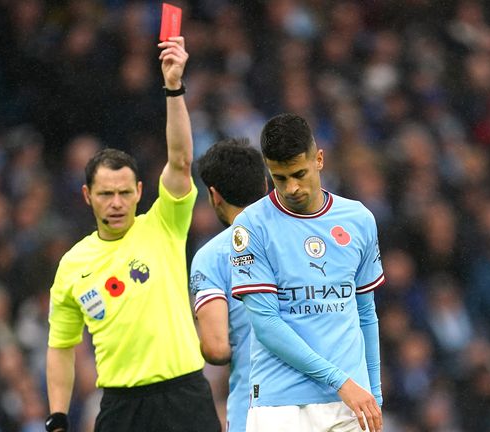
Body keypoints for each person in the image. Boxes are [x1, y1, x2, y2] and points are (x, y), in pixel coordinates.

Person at [45, 36, 221, 432]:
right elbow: (60, 347)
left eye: (125, 193)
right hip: (121, 407)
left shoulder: (164, 223)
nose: (117, 202)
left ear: (141, 192)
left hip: (184, 397)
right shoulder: (73, 265)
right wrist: (57, 416)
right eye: (106, 194)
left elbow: (180, 159)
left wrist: (173, 88)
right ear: (87, 196)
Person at [229, 113, 384, 432]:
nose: (291, 187)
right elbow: (267, 324)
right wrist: (341, 381)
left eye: (299, 173)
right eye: (279, 177)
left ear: (319, 159)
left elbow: (365, 313)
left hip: (349, 403)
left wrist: (374, 395)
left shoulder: (358, 219)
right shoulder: (251, 227)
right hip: (281, 405)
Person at [190, 138, 269, 432]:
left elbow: (217, 349)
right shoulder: (301, 240)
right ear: (264, 185)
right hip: (322, 402)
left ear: (214, 195)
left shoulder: (212, 257)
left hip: (257, 407)